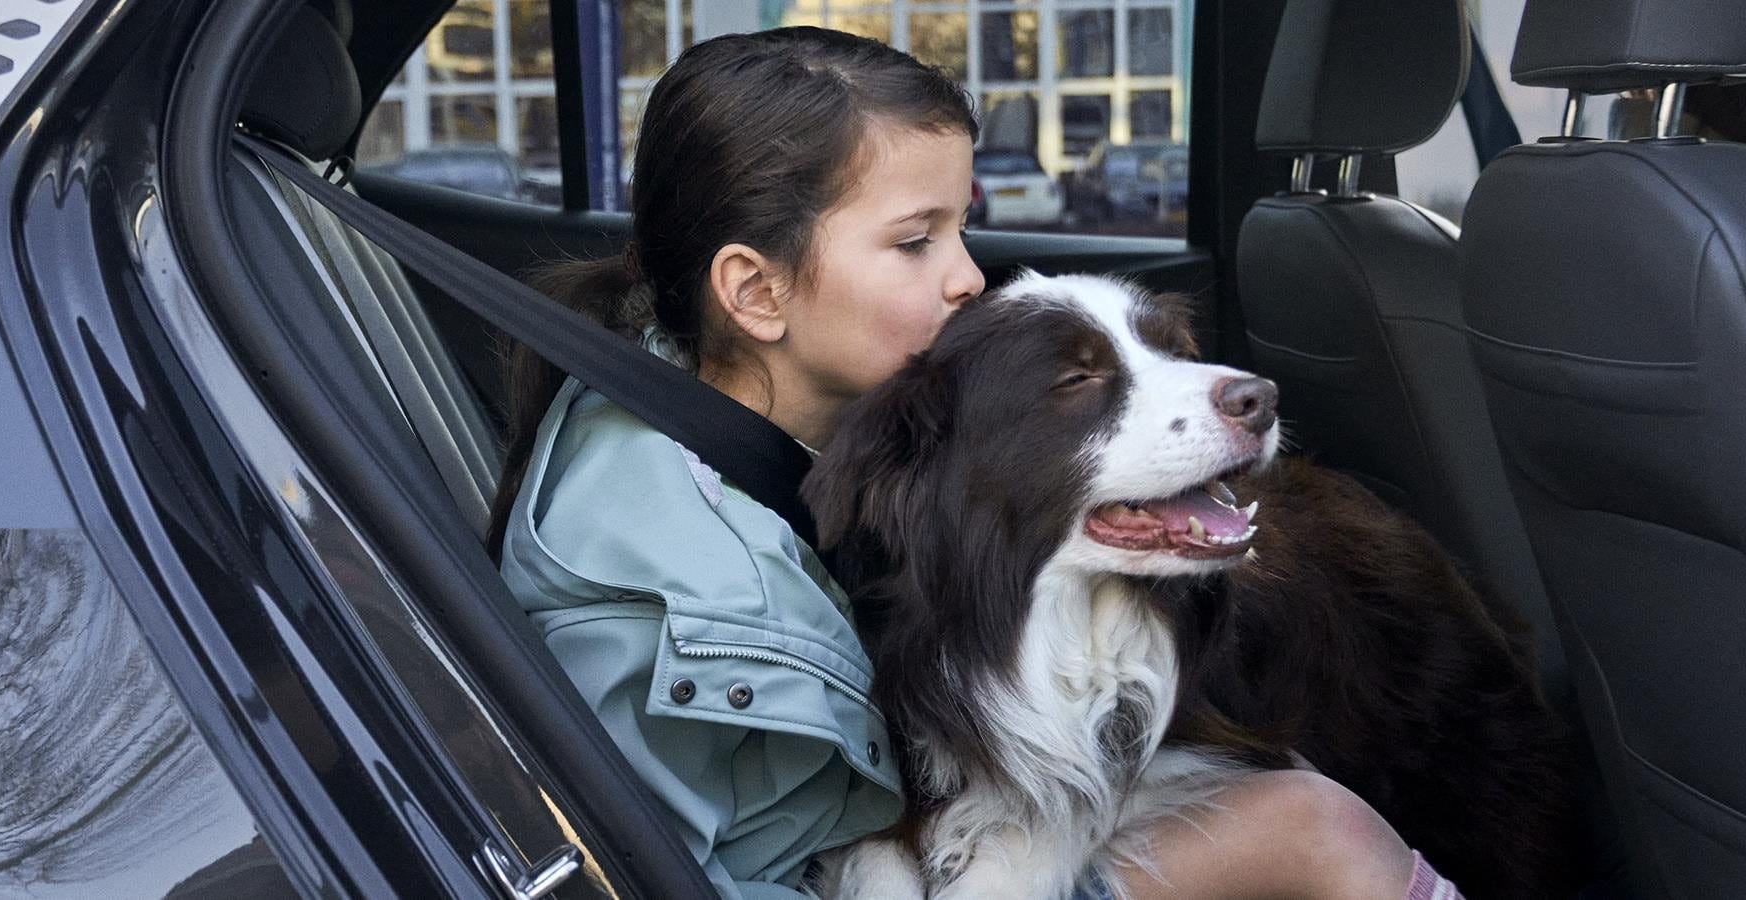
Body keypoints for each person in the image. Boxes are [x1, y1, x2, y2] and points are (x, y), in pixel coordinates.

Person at [490, 26, 1452, 900]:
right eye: (916, 241)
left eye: (959, 229)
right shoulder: (653, 597)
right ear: (755, 291)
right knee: (1319, 829)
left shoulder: (766, 420)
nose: (967, 276)